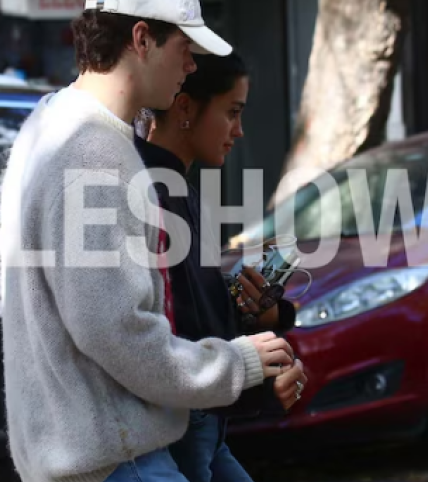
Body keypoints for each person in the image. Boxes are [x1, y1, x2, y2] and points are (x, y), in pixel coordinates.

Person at [0, 1, 297, 481]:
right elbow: (119, 333)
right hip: (116, 457)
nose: (191, 66)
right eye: (184, 48)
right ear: (141, 39)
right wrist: (238, 365)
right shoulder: (92, 149)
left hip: (94, 449)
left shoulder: (52, 122)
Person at [136, 52, 306, 482]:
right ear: (185, 107)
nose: (239, 130)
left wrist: (265, 314)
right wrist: (264, 381)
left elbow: (197, 315)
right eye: (232, 112)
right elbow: (179, 330)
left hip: (204, 424)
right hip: (179, 422)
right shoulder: (151, 193)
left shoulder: (182, 190)